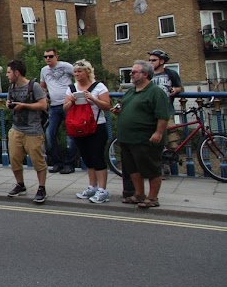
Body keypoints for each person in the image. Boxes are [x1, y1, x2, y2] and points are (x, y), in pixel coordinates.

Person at [112, 59, 169, 209]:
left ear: (145, 74)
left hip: (145, 138)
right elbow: (124, 106)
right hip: (127, 138)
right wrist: (119, 111)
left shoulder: (156, 92)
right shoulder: (131, 91)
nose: (131, 74)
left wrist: (158, 132)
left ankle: (152, 197)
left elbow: (163, 115)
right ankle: (139, 194)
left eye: (134, 72)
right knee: (133, 169)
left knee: (151, 168)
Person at [65, 59, 112, 204]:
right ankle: (92, 186)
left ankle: (103, 189)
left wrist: (92, 98)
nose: (77, 74)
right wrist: (71, 100)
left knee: (97, 157)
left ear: (87, 72)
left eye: (80, 71)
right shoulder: (71, 88)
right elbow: (64, 109)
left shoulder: (99, 87)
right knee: (87, 158)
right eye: (75, 72)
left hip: (97, 126)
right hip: (79, 126)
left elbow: (107, 106)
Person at [4, 60, 49, 204]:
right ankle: (20, 185)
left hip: (33, 130)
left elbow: (43, 105)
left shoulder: (34, 86)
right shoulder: (12, 87)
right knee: (15, 159)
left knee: (38, 161)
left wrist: (24, 105)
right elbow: (9, 100)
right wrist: (8, 104)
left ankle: (41, 188)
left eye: (9, 72)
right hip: (16, 129)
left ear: (17, 73)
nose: (7, 75)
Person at [40, 48, 78, 174]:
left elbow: (79, 76)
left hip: (69, 104)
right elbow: (43, 86)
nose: (48, 59)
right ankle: (57, 162)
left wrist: (76, 92)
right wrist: (44, 97)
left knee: (70, 135)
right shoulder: (44, 70)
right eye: (45, 57)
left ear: (56, 56)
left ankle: (69, 163)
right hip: (54, 106)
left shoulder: (66, 66)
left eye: (50, 56)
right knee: (50, 134)